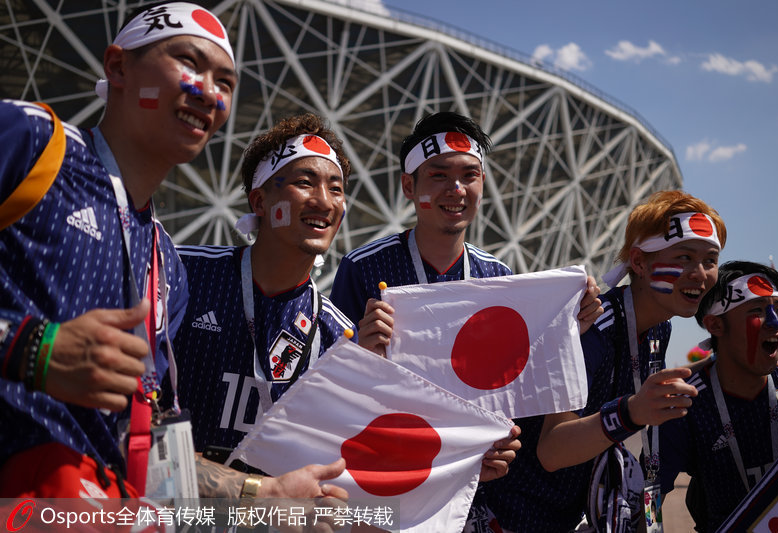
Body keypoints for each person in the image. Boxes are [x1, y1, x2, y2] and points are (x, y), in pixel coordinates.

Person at [0, 2, 344, 501]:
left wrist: (264, 496)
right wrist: (30, 349)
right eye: (188, 62)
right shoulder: (30, 143)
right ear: (117, 66)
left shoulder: (165, 266)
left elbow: (156, 453)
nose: (208, 91)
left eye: (225, 82)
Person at [329, 111, 601, 528]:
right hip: (387, 486)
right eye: (438, 175)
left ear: (482, 184)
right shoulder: (363, 268)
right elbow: (330, 389)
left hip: (475, 496)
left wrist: (567, 327)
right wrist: (358, 352)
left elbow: (513, 393)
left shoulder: (499, 279)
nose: (456, 189)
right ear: (408, 186)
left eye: (469, 175)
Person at [484, 190, 727, 532]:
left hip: (564, 518)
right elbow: (552, 450)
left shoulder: (659, 329)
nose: (700, 274)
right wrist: (630, 413)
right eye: (685, 257)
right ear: (639, 262)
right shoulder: (592, 328)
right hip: (511, 516)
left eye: (710, 260)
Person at [171, 113, 355, 459]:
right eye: (305, 182)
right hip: (161, 503)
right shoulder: (183, 271)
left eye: (336, 188)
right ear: (260, 202)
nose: (325, 200)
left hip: (262, 512)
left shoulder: (338, 336)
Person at [658, 261, 778, 532]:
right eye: (757, 311)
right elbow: (648, 499)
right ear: (716, 325)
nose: (774, 323)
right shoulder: (684, 404)